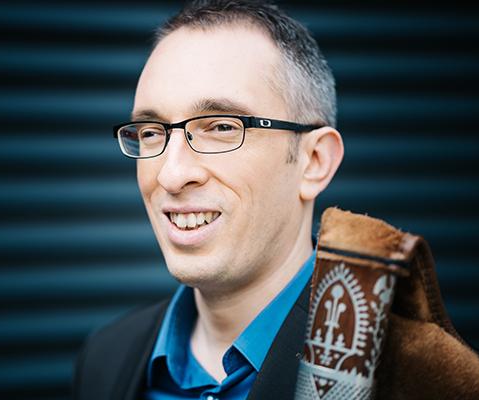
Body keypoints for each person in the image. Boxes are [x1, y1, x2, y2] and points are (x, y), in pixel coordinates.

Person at [73, 1, 344, 399]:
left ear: (314, 161)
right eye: (151, 132)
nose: (171, 175)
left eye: (221, 127)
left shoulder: (409, 375)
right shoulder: (105, 357)